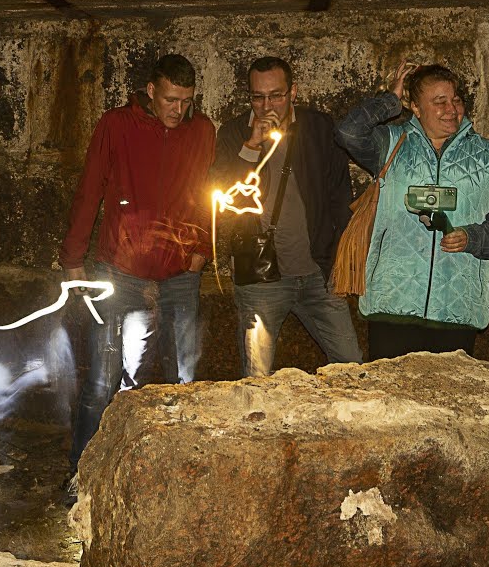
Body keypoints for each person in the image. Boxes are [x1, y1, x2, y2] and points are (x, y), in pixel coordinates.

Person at [59, 53, 215, 476]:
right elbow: (90, 189)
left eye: (186, 101)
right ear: (151, 91)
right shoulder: (116, 125)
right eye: (170, 100)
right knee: (103, 380)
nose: (178, 110)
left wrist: (201, 252)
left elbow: (207, 190)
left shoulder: (202, 130)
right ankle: (82, 474)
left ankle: (180, 476)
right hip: (120, 271)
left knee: (185, 380)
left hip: (180, 274)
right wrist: (73, 259)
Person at [336, 61, 489, 359]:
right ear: (415, 107)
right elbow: (349, 132)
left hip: (456, 307)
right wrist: (390, 99)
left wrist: (473, 238)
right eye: (439, 101)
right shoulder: (391, 144)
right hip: (393, 304)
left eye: (456, 100)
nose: (451, 109)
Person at [212, 56, 362, 375]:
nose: (266, 106)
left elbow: (339, 196)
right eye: (258, 97)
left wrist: (339, 257)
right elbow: (224, 193)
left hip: (317, 272)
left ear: (293, 92)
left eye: (276, 96)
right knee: (257, 376)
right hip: (260, 275)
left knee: (351, 366)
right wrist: (251, 145)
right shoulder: (234, 132)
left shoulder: (318, 127)